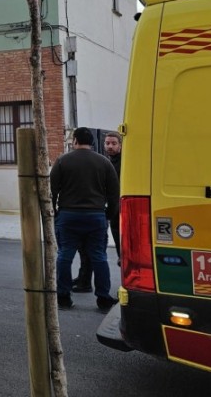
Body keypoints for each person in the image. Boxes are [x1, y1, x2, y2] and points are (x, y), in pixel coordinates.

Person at [50, 127, 119, 311]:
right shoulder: (104, 163)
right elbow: (114, 194)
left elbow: (52, 191)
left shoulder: (63, 161)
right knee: (99, 257)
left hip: (68, 215)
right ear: (93, 142)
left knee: (65, 255)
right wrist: (108, 216)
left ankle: (63, 296)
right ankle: (103, 298)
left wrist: (55, 213)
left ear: (75, 141)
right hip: (96, 216)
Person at [74, 131, 123, 292]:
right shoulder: (105, 161)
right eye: (107, 143)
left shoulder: (123, 164)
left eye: (113, 143)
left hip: (118, 213)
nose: (110, 146)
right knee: (89, 249)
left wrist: (110, 213)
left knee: (120, 251)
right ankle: (84, 279)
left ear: (121, 145)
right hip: (107, 212)